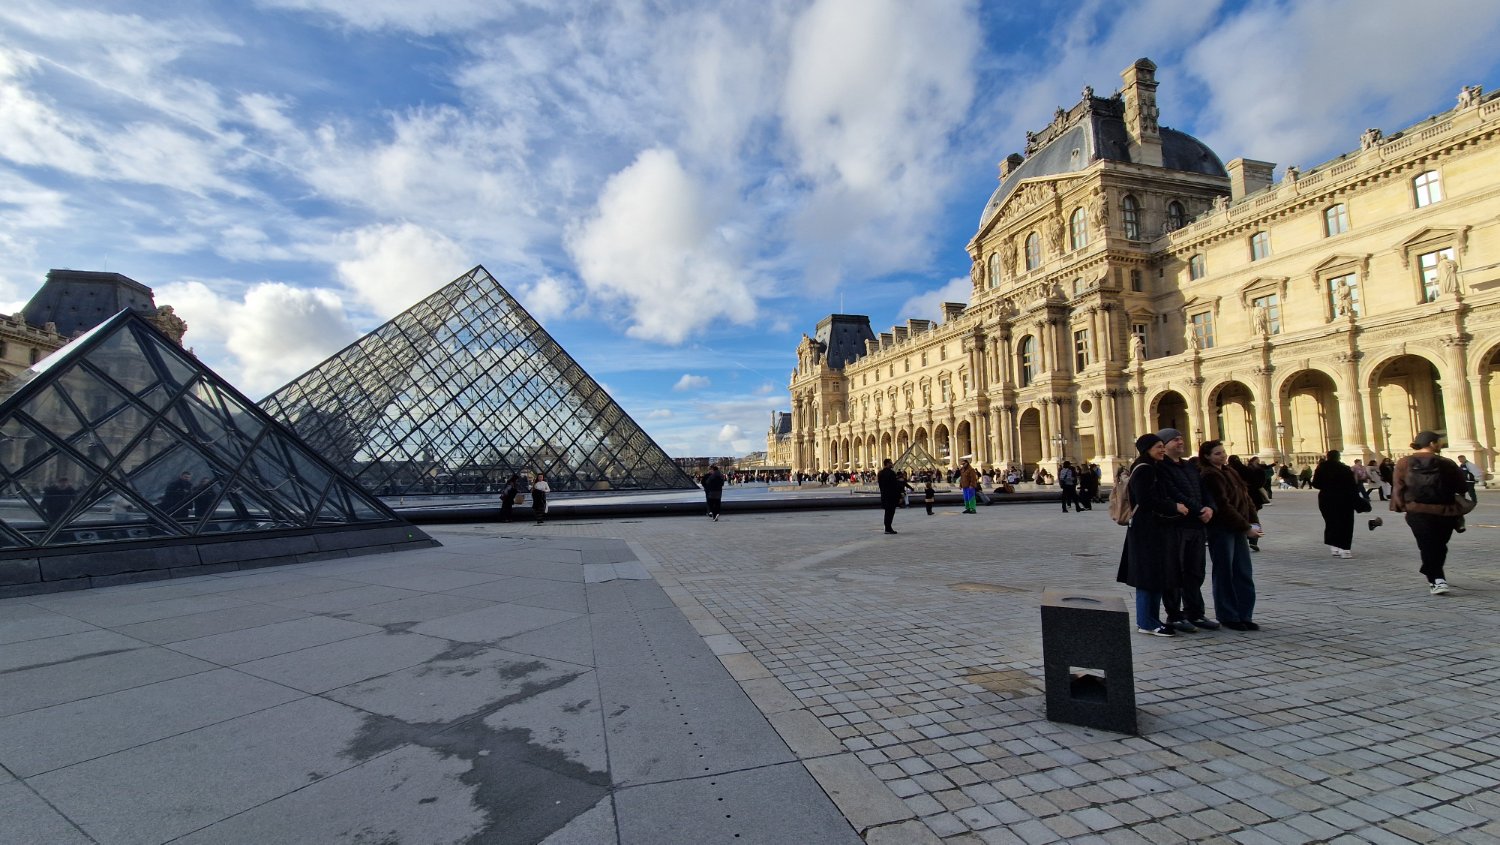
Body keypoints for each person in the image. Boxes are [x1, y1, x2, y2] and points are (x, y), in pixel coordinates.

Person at [1116, 434, 1186, 636]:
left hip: (1151, 529)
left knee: (1154, 575)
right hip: (1146, 530)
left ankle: (1151, 620)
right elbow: (1146, 501)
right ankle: (1146, 622)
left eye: (1163, 446)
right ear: (1147, 448)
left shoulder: (1150, 467)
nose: (1162, 449)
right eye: (1158, 446)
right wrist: (1174, 506)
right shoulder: (1145, 470)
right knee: (1147, 576)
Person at [1154, 428, 1219, 632]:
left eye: (1181, 438)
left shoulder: (1190, 466)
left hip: (1196, 526)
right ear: (1164, 445)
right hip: (1177, 527)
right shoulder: (1161, 468)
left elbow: (1203, 490)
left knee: (1195, 571)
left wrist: (1210, 508)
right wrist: (1199, 509)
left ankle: (1195, 612)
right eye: (1175, 440)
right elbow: (1174, 493)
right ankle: (1174, 615)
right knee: (1175, 573)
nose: (1181, 442)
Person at [1391, 432, 1467, 595]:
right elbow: (1461, 486)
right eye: (1439, 442)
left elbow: (1398, 486)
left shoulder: (1404, 463)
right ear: (1432, 444)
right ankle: (1437, 578)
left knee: (1427, 545)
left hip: (1417, 510)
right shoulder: (1447, 463)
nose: (1440, 444)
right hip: (1444, 510)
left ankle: (1433, 575)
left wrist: (1400, 506)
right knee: (1439, 546)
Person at [1198, 441, 1262, 631]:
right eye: (1217, 454)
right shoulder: (1209, 475)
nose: (1222, 456)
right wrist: (1246, 527)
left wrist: (1254, 521)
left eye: (1223, 452)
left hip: (1238, 527)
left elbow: (1246, 497)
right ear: (1207, 456)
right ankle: (1228, 615)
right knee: (1225, 572)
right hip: (1221, 529)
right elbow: (1223, 506)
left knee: (1243, 571)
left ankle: (1244, 614)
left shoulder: (1230, 471)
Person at [1311, 450, 1359, 558]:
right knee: (1346, 523)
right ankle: (1345, 549)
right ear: (1338, 457)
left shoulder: (1321, 468)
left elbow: (1315, 484)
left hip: (1327, 498)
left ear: (1328, 457)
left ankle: (1334, 547)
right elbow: (1352, 486)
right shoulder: (1345, 469)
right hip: (1344, 498)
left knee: (1331, 522)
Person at [877, 458, 903, 534]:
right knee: (890, 512)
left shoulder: (880, 473)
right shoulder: (891, 473)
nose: (892, 464)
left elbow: (880, 485)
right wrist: (899, 496)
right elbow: (895, 486)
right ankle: (888, 528)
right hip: (891, 496)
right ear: (887, 464)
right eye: (891, 463)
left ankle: (887, 528)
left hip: (884, 495)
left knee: (887, 512)